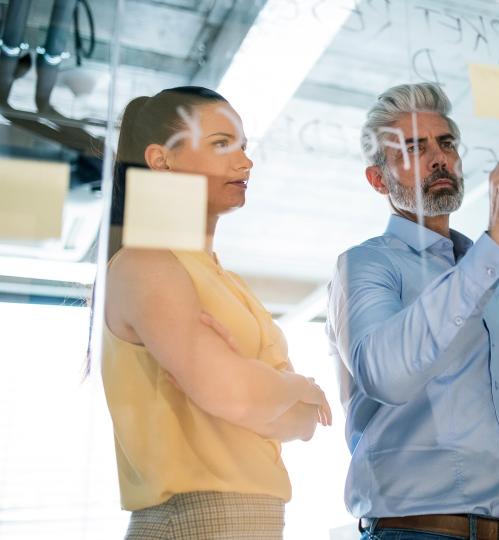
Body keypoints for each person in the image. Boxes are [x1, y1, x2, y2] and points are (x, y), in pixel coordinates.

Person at [98, 86, 332, 539]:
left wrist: (249, 384)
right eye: (222, 144)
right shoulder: (146, 264)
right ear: (161, 159)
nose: (245, 162)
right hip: (192, 520)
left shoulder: (225, 282)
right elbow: (233, 394)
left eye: (244, 147)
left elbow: (301, 422)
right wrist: (296, 386)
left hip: (250, 521)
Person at [326, 83, 499, 540]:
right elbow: (386, 375)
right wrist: (498, 243)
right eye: (414, 148)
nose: (439, 158)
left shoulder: (480, 269)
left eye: (446, 143)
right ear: (378, 179)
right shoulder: (366, 264)